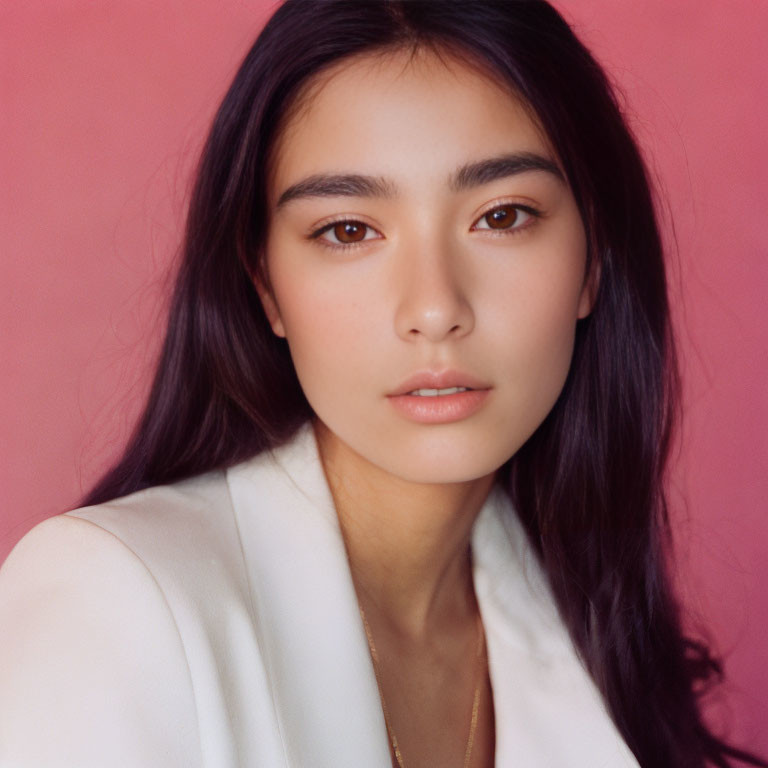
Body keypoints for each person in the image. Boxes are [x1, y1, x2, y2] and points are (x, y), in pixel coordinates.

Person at [0, 1, 764, 766]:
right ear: (265, 286)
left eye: (501, 216)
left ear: (593, 260)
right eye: (348, 230)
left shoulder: (586, 627)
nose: (434, 309)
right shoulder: (112, 605)